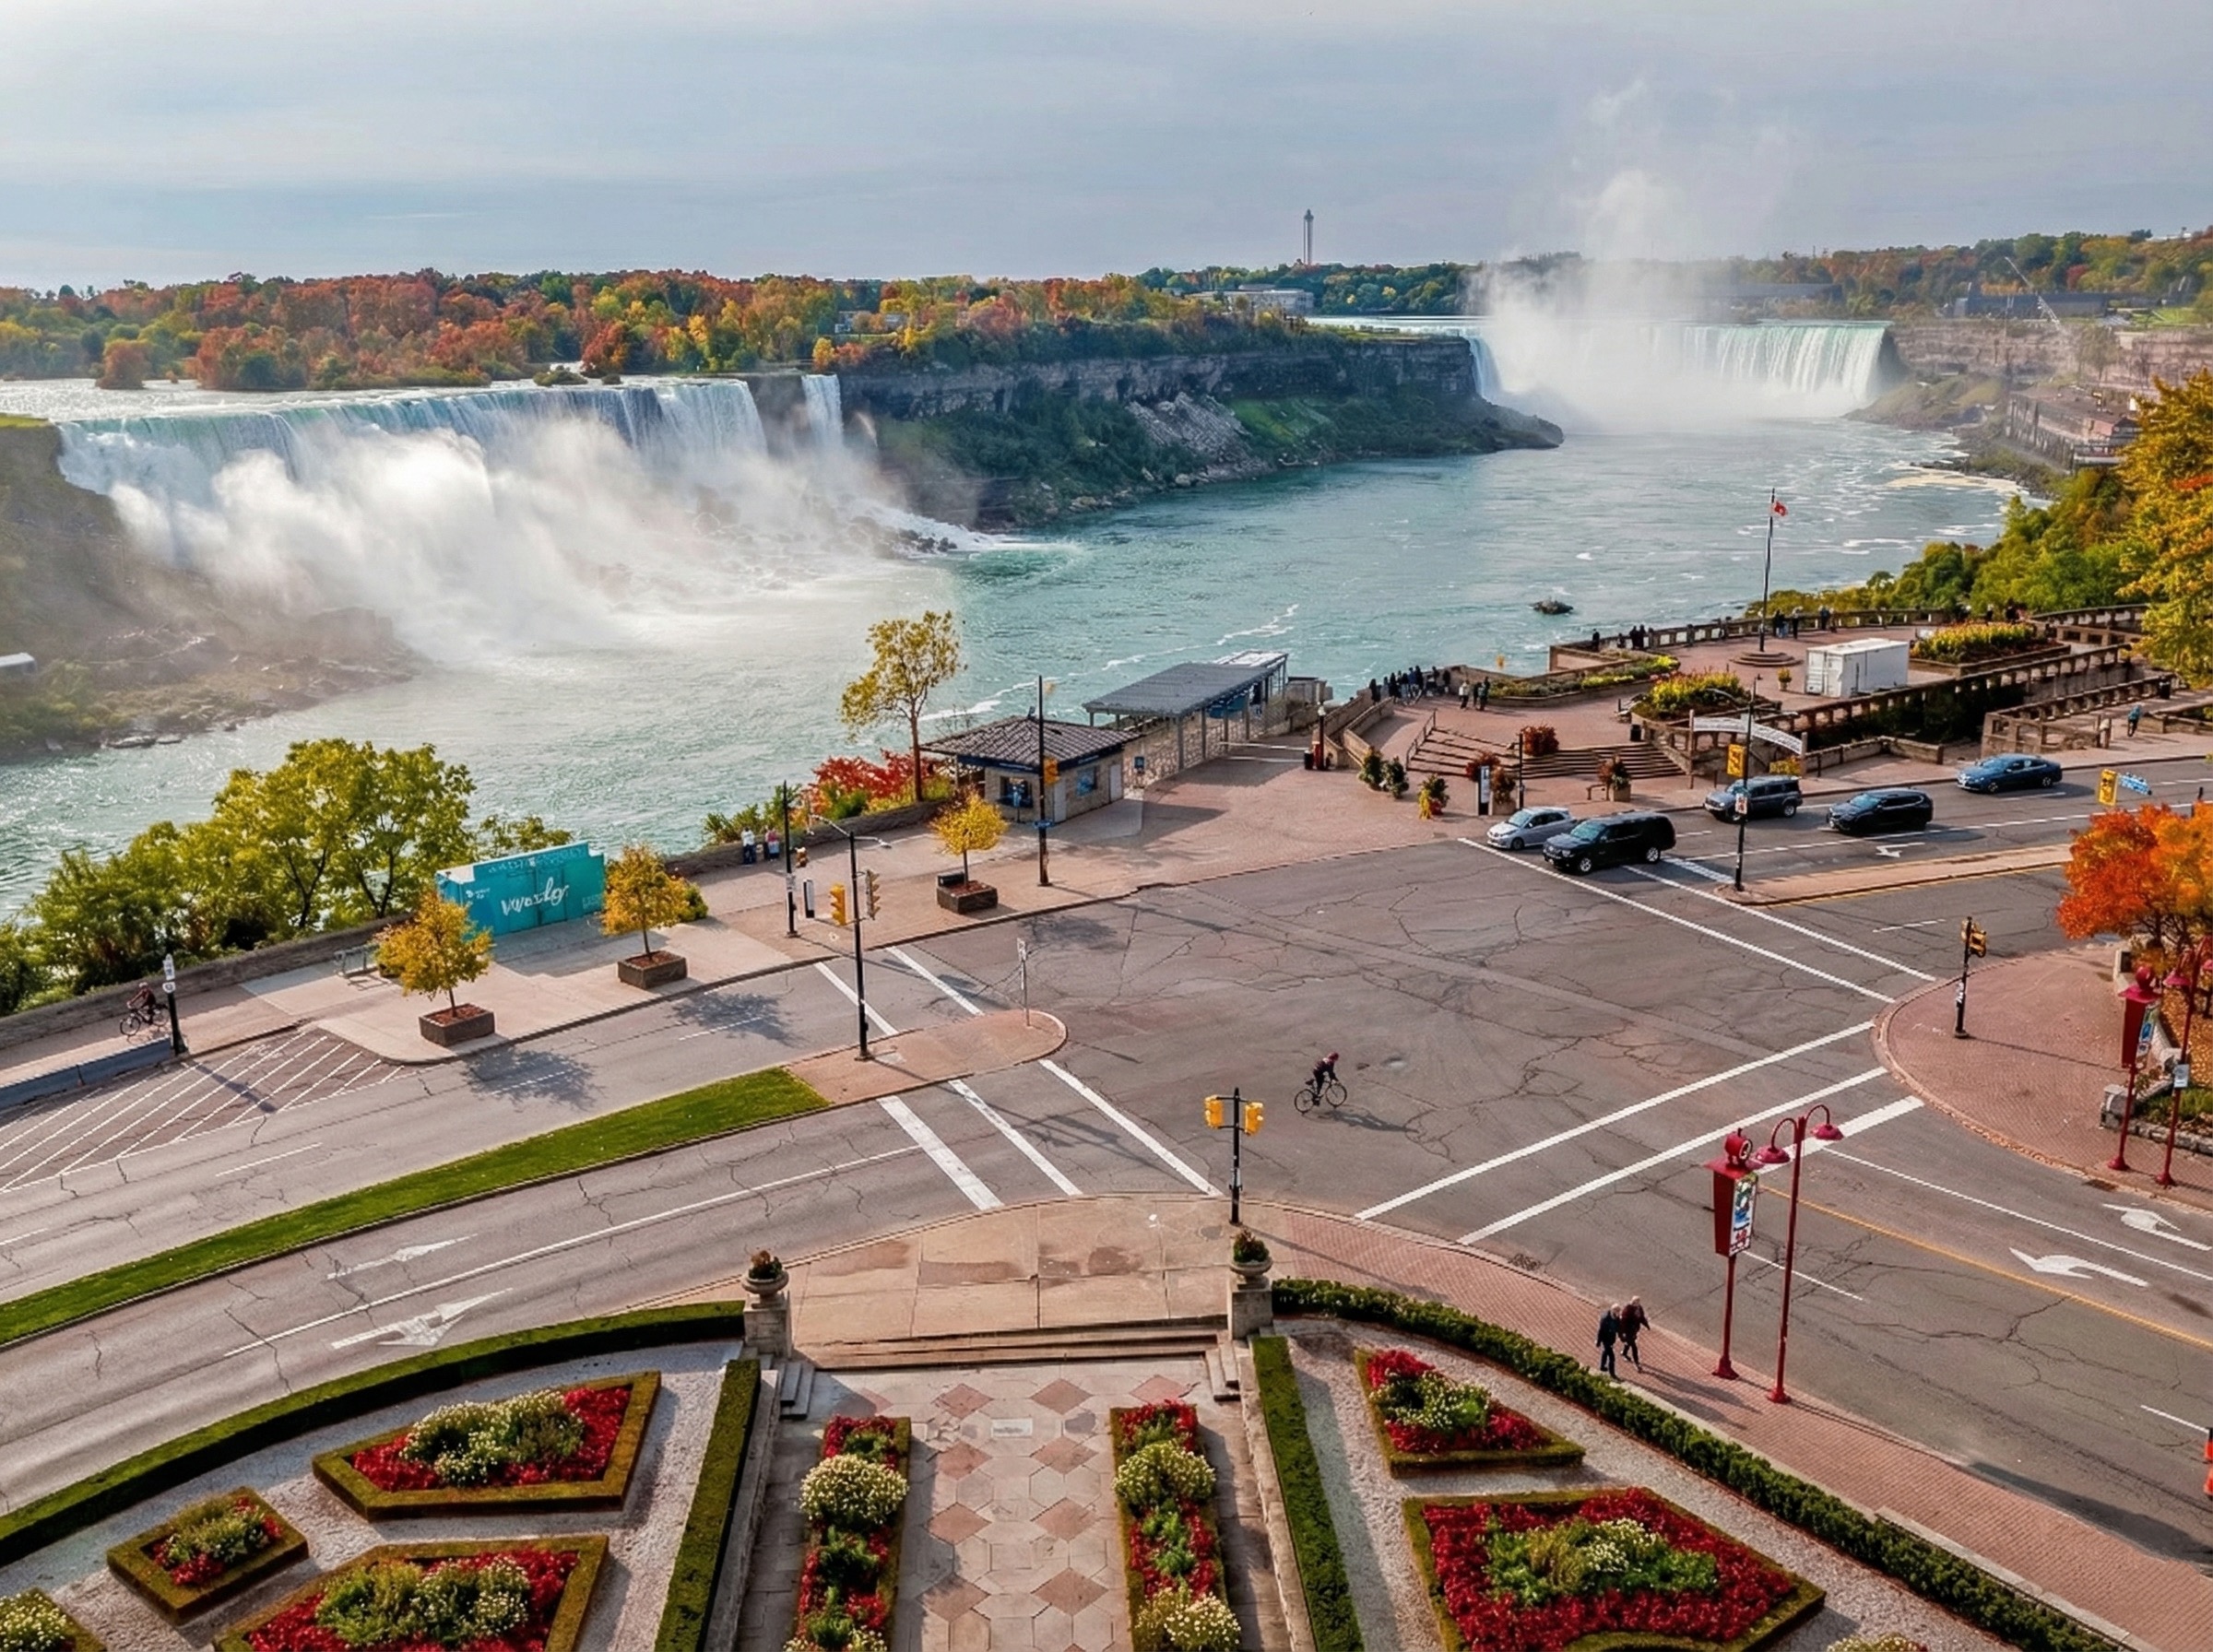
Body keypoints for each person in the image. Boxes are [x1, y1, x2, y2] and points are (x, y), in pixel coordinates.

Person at [1618, 1297, 1650, 1371]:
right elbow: (1623, 1322)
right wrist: (1623, 1333)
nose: (1638, 1304)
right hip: (1628, 1331)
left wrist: (1646, 1325)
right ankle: (1637, 1363)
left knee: (1630, 1342)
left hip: (1634, 1330)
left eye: (1638, 1302)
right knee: (1634, 1347)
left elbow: (1641, 1317)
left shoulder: (1639, 1308)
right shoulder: (1627, 1310)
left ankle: (1624, 1353)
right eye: (1636, 1302)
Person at [1595, 1304, 1621, 1377]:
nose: (1619, 1313)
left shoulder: (1617, 1318)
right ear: (1613, 1311)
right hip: (1605, 1338)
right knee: (1612, 1357)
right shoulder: (1605, 1318)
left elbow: (1618, 1328)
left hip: (1611, 1338)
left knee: (1605, 1352)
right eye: (1617, 1311)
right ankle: (1612, 1374)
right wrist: (1598, 1341)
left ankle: (1602, 1366)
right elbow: (1601, 1331)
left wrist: (1622, 1337)